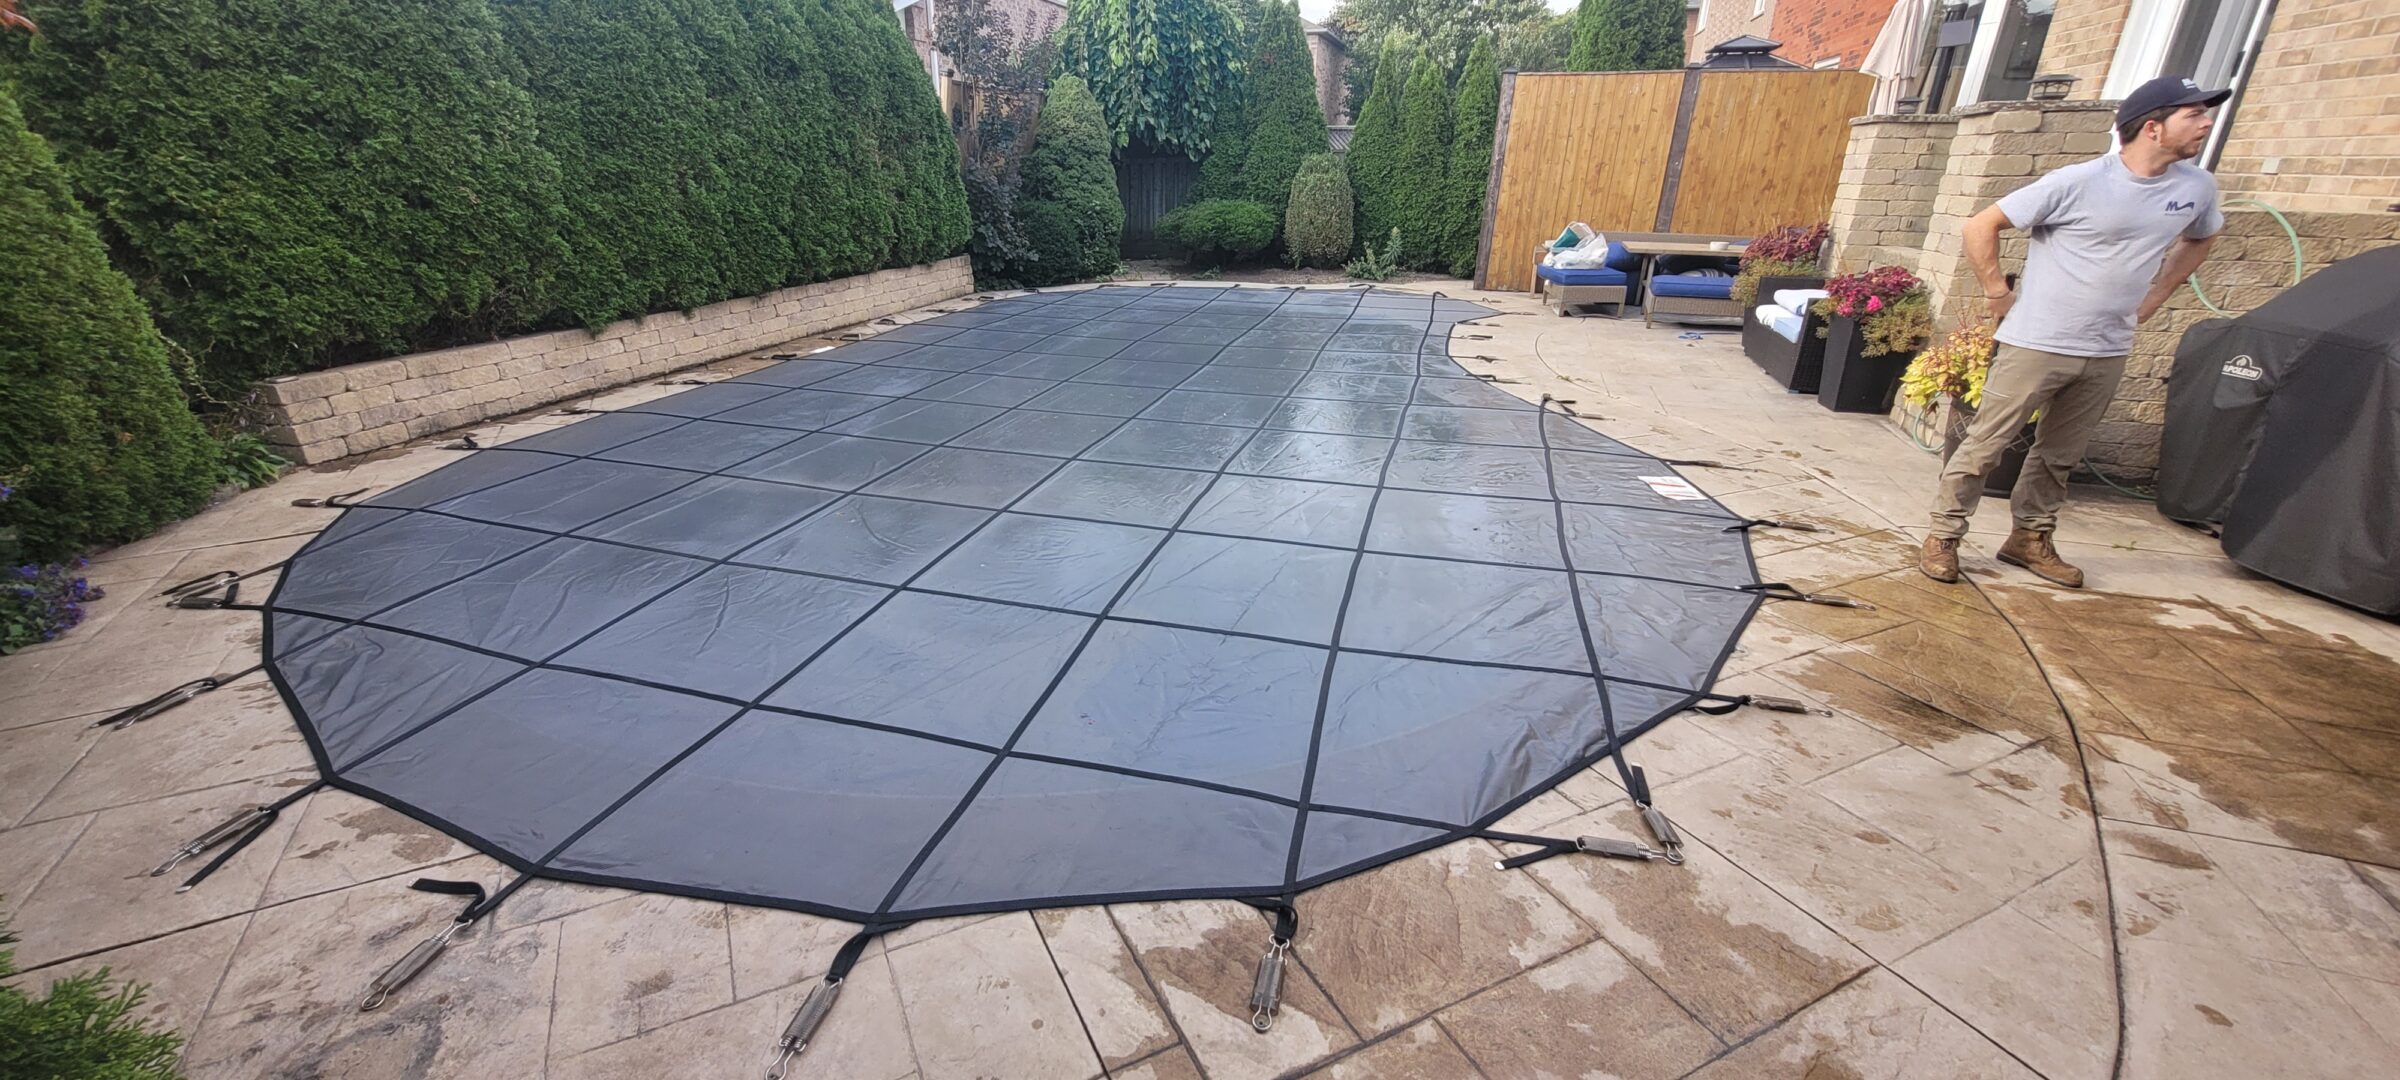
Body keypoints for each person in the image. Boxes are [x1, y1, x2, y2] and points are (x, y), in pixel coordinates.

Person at [1920, 76, 2227, 589]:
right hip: (2036, 341)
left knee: (2060, 454)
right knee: (1985, 445)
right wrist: (1999, 294)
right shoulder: (2077, 182)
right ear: (2152, 127)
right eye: (2193, 115)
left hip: (2108, 347)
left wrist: (2157, 295)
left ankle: (2029, 538)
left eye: (2205, 113)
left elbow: (2202, 238)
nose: (2207, 122)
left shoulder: (2196, 187)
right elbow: (1980, 226)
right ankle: (1943, 536)